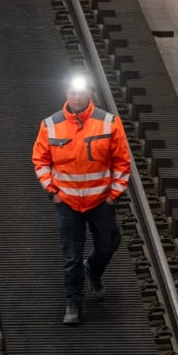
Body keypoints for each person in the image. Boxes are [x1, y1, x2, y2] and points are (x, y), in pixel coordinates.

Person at [31, 74, 131, 325]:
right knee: (71, 255)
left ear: (88, 94)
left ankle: (93, 272)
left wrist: (113, 194)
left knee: (107, 246)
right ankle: (73, 302)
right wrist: (52, 191)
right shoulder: (51, 125)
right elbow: (41, 160)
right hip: (68, 203)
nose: (76, 98)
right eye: (72, 93)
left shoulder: (109, 123)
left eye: (81, 93)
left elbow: (121, 160)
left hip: (100, 201)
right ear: (66, 94)